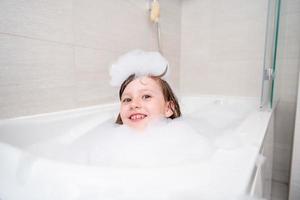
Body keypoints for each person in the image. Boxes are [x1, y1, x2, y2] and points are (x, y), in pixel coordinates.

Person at [110, 50, 181, 131]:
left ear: (168, 108)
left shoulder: (179, 140)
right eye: (127, 99)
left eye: (146, 96)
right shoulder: (111, 139)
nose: (134, 104)